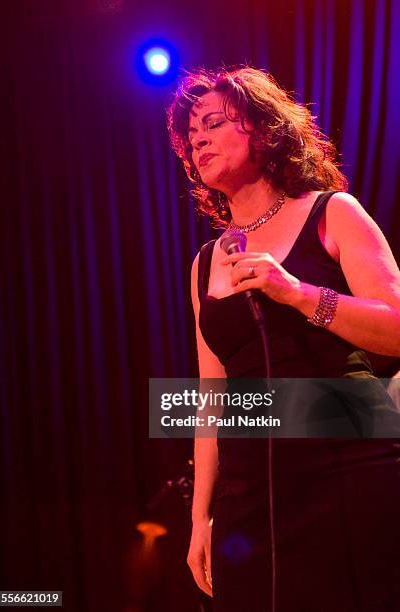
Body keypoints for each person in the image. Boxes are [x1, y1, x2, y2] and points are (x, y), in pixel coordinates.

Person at [166, 67, 400, 612]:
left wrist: (296, 292)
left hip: (350, 469)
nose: (197, 139)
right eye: (189, 135)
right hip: (253, 494)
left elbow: (395, 328)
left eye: (215, 122)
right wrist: (200, 517)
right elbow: (212, 396)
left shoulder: (332, 213)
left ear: (266, 131)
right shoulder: (204, 263)